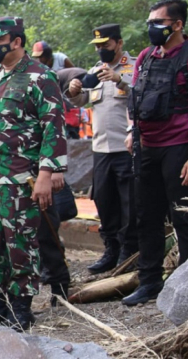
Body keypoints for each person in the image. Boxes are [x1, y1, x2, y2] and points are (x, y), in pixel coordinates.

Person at [0, 17, 67, 333]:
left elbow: (54, 126)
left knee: (20, 242)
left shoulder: (40, 77)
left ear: (17, 41)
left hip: (21, 177)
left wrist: (47, 172)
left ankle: (21, 308)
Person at [122, 0, 188, 306]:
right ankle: (149, 282)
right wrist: (131, 130)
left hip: (181, 149)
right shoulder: (145, 57)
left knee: (184, 218)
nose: (152, 28)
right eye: (150, 22)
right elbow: (135, 98)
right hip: (147, 148)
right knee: (147, 217)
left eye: (159, 23)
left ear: (178, 25)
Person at [66, 24, 139, 274]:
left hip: (126, 148)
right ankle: (111, 250)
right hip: (101, 149)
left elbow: (145, 93)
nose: (101, 50)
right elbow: (82, 99)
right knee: (104, 201)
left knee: (129, 204)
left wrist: (120, 79)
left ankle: (130, 252)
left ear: (118, 43)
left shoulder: (136, 66)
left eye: (105, 45)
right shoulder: (95, 72)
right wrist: (73, 91)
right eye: (97, 46)